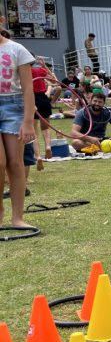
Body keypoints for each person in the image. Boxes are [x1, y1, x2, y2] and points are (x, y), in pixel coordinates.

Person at [0, 20, 37, 228]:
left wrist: (28, 122)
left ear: (1, 21)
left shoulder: (17, 50)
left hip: (13, 106)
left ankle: (17, 218)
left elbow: (27, 89)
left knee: (15, 163)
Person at [30, 57, 53, 162]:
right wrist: (44, 66)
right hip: (44, 99)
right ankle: (48, 146)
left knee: (33, 131)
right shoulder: (39, 70)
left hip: (32, 98)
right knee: (46, 128)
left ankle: (38, 156)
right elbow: (53, 79)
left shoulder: (23, 71)